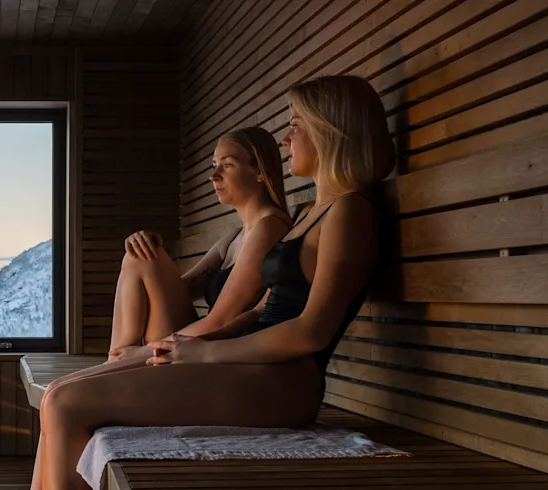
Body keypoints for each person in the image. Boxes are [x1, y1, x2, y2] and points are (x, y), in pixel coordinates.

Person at [30, 75, 396, 490]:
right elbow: (262, 310)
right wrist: (193, 346)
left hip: (285, 380)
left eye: (296, 124)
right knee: (56, 394)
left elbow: (312, 331)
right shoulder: (313, 210)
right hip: (250, 365)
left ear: (332, 130)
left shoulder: (349, 211)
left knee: (65, 403)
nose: (286, 139)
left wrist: (204, 354)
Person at [104, 127, 292, 363]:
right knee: (140, 254)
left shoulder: (269, 228)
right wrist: (143, 239)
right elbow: (178, 288)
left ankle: (114, 365)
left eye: (227, 165)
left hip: (219, 356)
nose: (214, 175)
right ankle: (113, 364)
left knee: (141, 257)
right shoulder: (236, 234)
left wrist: (141, 352)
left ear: (260, 172)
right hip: (196, 344)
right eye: (214, 164)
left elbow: (222, 320)